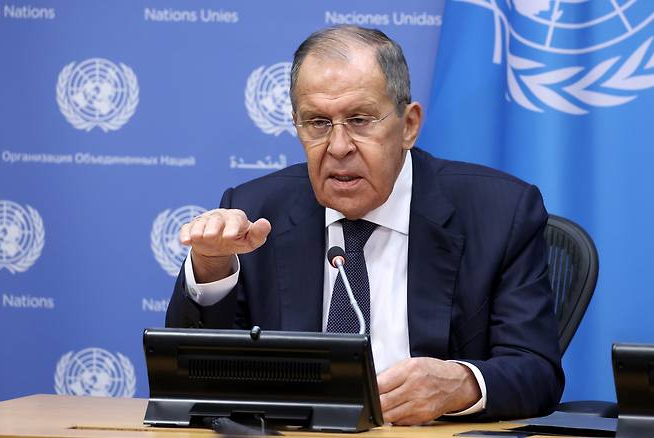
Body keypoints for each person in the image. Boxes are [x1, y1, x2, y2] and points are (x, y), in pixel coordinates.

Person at [166, 25, 564, 424]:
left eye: (359, 120)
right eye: (318, 123)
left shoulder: (500, 212)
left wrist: (460, 384)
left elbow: (537, 372)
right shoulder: (255, 211)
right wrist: (212, 268)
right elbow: (192, 384)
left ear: (408, 125)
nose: (338, 147)